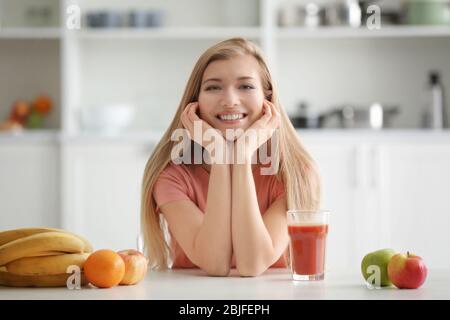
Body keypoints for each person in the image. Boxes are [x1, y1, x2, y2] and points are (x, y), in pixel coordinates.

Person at [141, 37, 320, 277]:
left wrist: (242, 156)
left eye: (245, 86)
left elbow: (252, 264)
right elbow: (214, 263)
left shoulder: (296, 174)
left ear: (267, 97)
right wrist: (221, 157)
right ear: (195, 101)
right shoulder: (172, 176)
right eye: (213, 87)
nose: (230, 101)